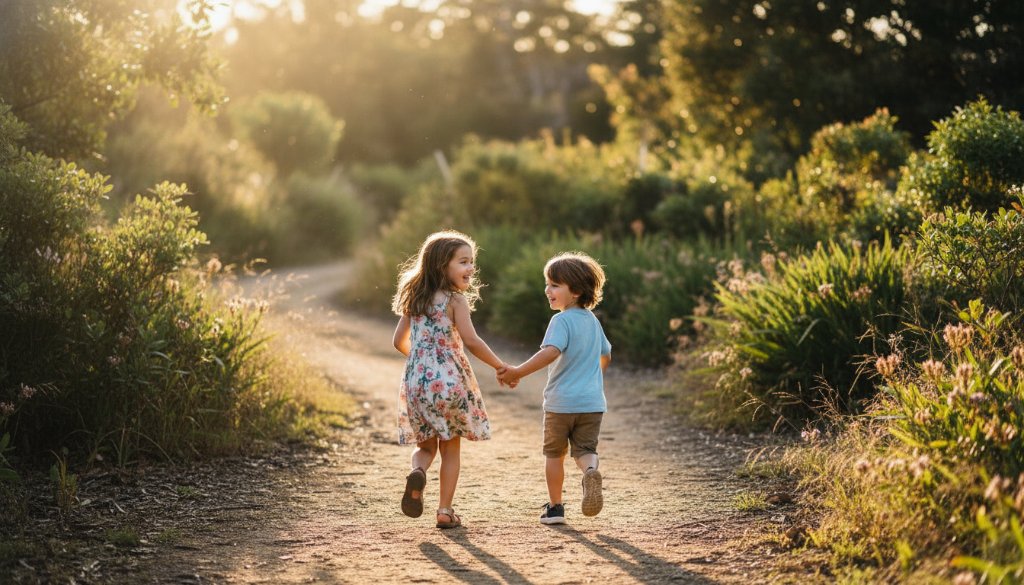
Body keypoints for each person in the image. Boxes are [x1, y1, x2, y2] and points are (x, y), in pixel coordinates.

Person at [391, 230, 510, 529]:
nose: (471, 268)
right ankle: (444, 510)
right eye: (464, 262)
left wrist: (421, 359)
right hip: (450, 383)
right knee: (451, 449)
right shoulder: (455, 301)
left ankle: (418, 471)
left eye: (472, 262)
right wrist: (499, 365)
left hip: (417, 381)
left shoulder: (414, 298)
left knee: (426, 448)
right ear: (443, 264)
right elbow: (472, 341)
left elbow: (397, 341)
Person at [497, 252, 611, 525]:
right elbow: (606, 353)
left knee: (554, 455)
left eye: (555, 285)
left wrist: (518, 372)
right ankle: (590, 472)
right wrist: (592, 379)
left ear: (577, 291)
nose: (548, 290)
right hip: (592, 402)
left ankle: (555, 507)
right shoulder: (593, 321)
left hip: (561, 403)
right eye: (547, 284)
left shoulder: (561, 321)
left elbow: (550, 352)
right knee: (584, 450)